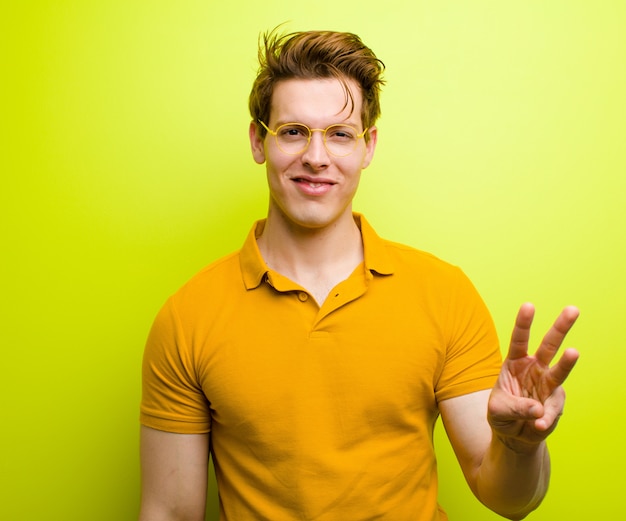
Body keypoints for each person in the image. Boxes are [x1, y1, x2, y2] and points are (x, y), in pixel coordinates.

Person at [138, 29, 580, 521]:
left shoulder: (444, 293)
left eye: (340, 134)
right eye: (292, 131)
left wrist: (519, 448)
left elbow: (507, 498)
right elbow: (170, 512)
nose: (316, 156)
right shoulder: (187, 316)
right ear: (257, 140)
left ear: (367, 146)